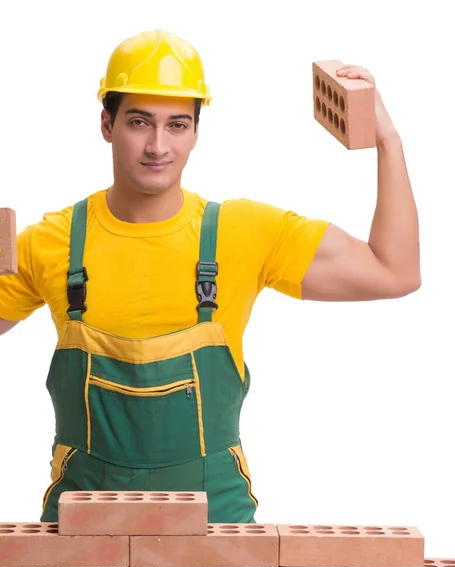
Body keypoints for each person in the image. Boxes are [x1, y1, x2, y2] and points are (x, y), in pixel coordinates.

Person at [0, 30, 420, 524]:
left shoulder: (245, 233)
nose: (158, 145)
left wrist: (388, 141)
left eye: (177, 125)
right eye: (139, 122)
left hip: (216, 532)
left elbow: (395, 272)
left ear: (196, 131)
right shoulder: (48, 242)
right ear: (107, 124)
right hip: (79, 532)